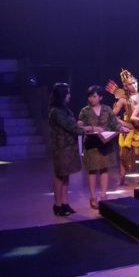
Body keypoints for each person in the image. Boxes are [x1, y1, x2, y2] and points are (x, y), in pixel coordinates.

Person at [78, 85, 126, 210]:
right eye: (90, 96)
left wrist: (121, 128)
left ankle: (104, 195)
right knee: (92, 170)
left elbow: (114, 123)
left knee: (104, 169)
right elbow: (80, 126)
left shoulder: (107, 109)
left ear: (100, 97)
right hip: (92, 145)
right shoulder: (85, 111)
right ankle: (92, 197)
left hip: (106, 143)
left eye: (94, 96)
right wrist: (86, 127)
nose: (91, 99)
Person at [48, 82, 87, 216]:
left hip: (69, 146)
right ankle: (57, 205)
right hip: (61, 148)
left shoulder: (65, 109)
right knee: (60, 175)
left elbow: (73, 124)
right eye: (67, 93)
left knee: (66, 175)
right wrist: (90, 129)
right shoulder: (55, 111)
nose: (70, 95)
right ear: (62, 95)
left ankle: (65, 203)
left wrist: (79, 124)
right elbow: (71, 127)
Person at [111, 69, 139, 186]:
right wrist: (123, 123)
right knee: (124, 155)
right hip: (128, 130)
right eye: (130, 84)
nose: (133, 85)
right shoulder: (123, 99)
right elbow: (111, 115)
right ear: (125, 86)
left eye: (134, 82)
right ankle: (122, 178)